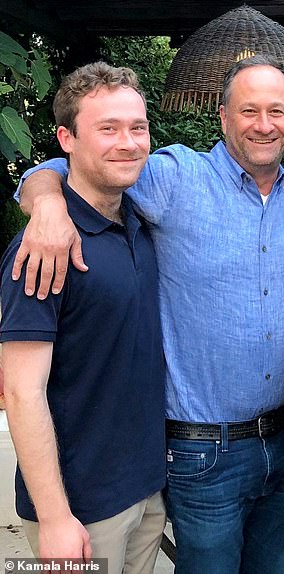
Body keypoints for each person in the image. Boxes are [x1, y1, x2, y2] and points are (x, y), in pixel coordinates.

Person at [13, 54, 284, 574]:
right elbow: (84, 162)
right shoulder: (175, 179)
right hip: (202, 453)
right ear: (223, 116)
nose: (264, 124)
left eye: (277, 111)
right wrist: (46, 198)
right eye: (248, 110)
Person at [0, 62, 166, 572]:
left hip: (145, 493)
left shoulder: (141, 222)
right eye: (108, 129)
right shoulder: (41, 250)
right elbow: (21, 391)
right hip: (78, 511)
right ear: (66, 138)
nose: (128, 142)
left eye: (137, 128)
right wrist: (53, 518)